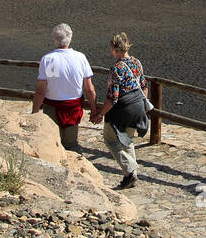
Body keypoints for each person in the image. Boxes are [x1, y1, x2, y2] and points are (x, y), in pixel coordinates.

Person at [91, 33, 149, 190]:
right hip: (138, 106)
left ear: (115, 49)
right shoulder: (137, 63)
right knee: (128, 140)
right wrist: (141, 106)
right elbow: (144, 86)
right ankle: (130, 175)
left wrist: (100, 114)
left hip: (122, 110)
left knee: (110, 139)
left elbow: (112, 97)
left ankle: (130, 169)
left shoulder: (117, 68)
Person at [30, 23, 94, 152]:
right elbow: (89, 89)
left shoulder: (47, 59)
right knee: (71, 144)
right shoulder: (80, 58)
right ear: (70, 38)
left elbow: (41, 91)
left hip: (52, 107)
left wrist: (34, 113)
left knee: (53, 142)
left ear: (54, 39)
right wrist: (94, 109)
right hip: (73, 107)